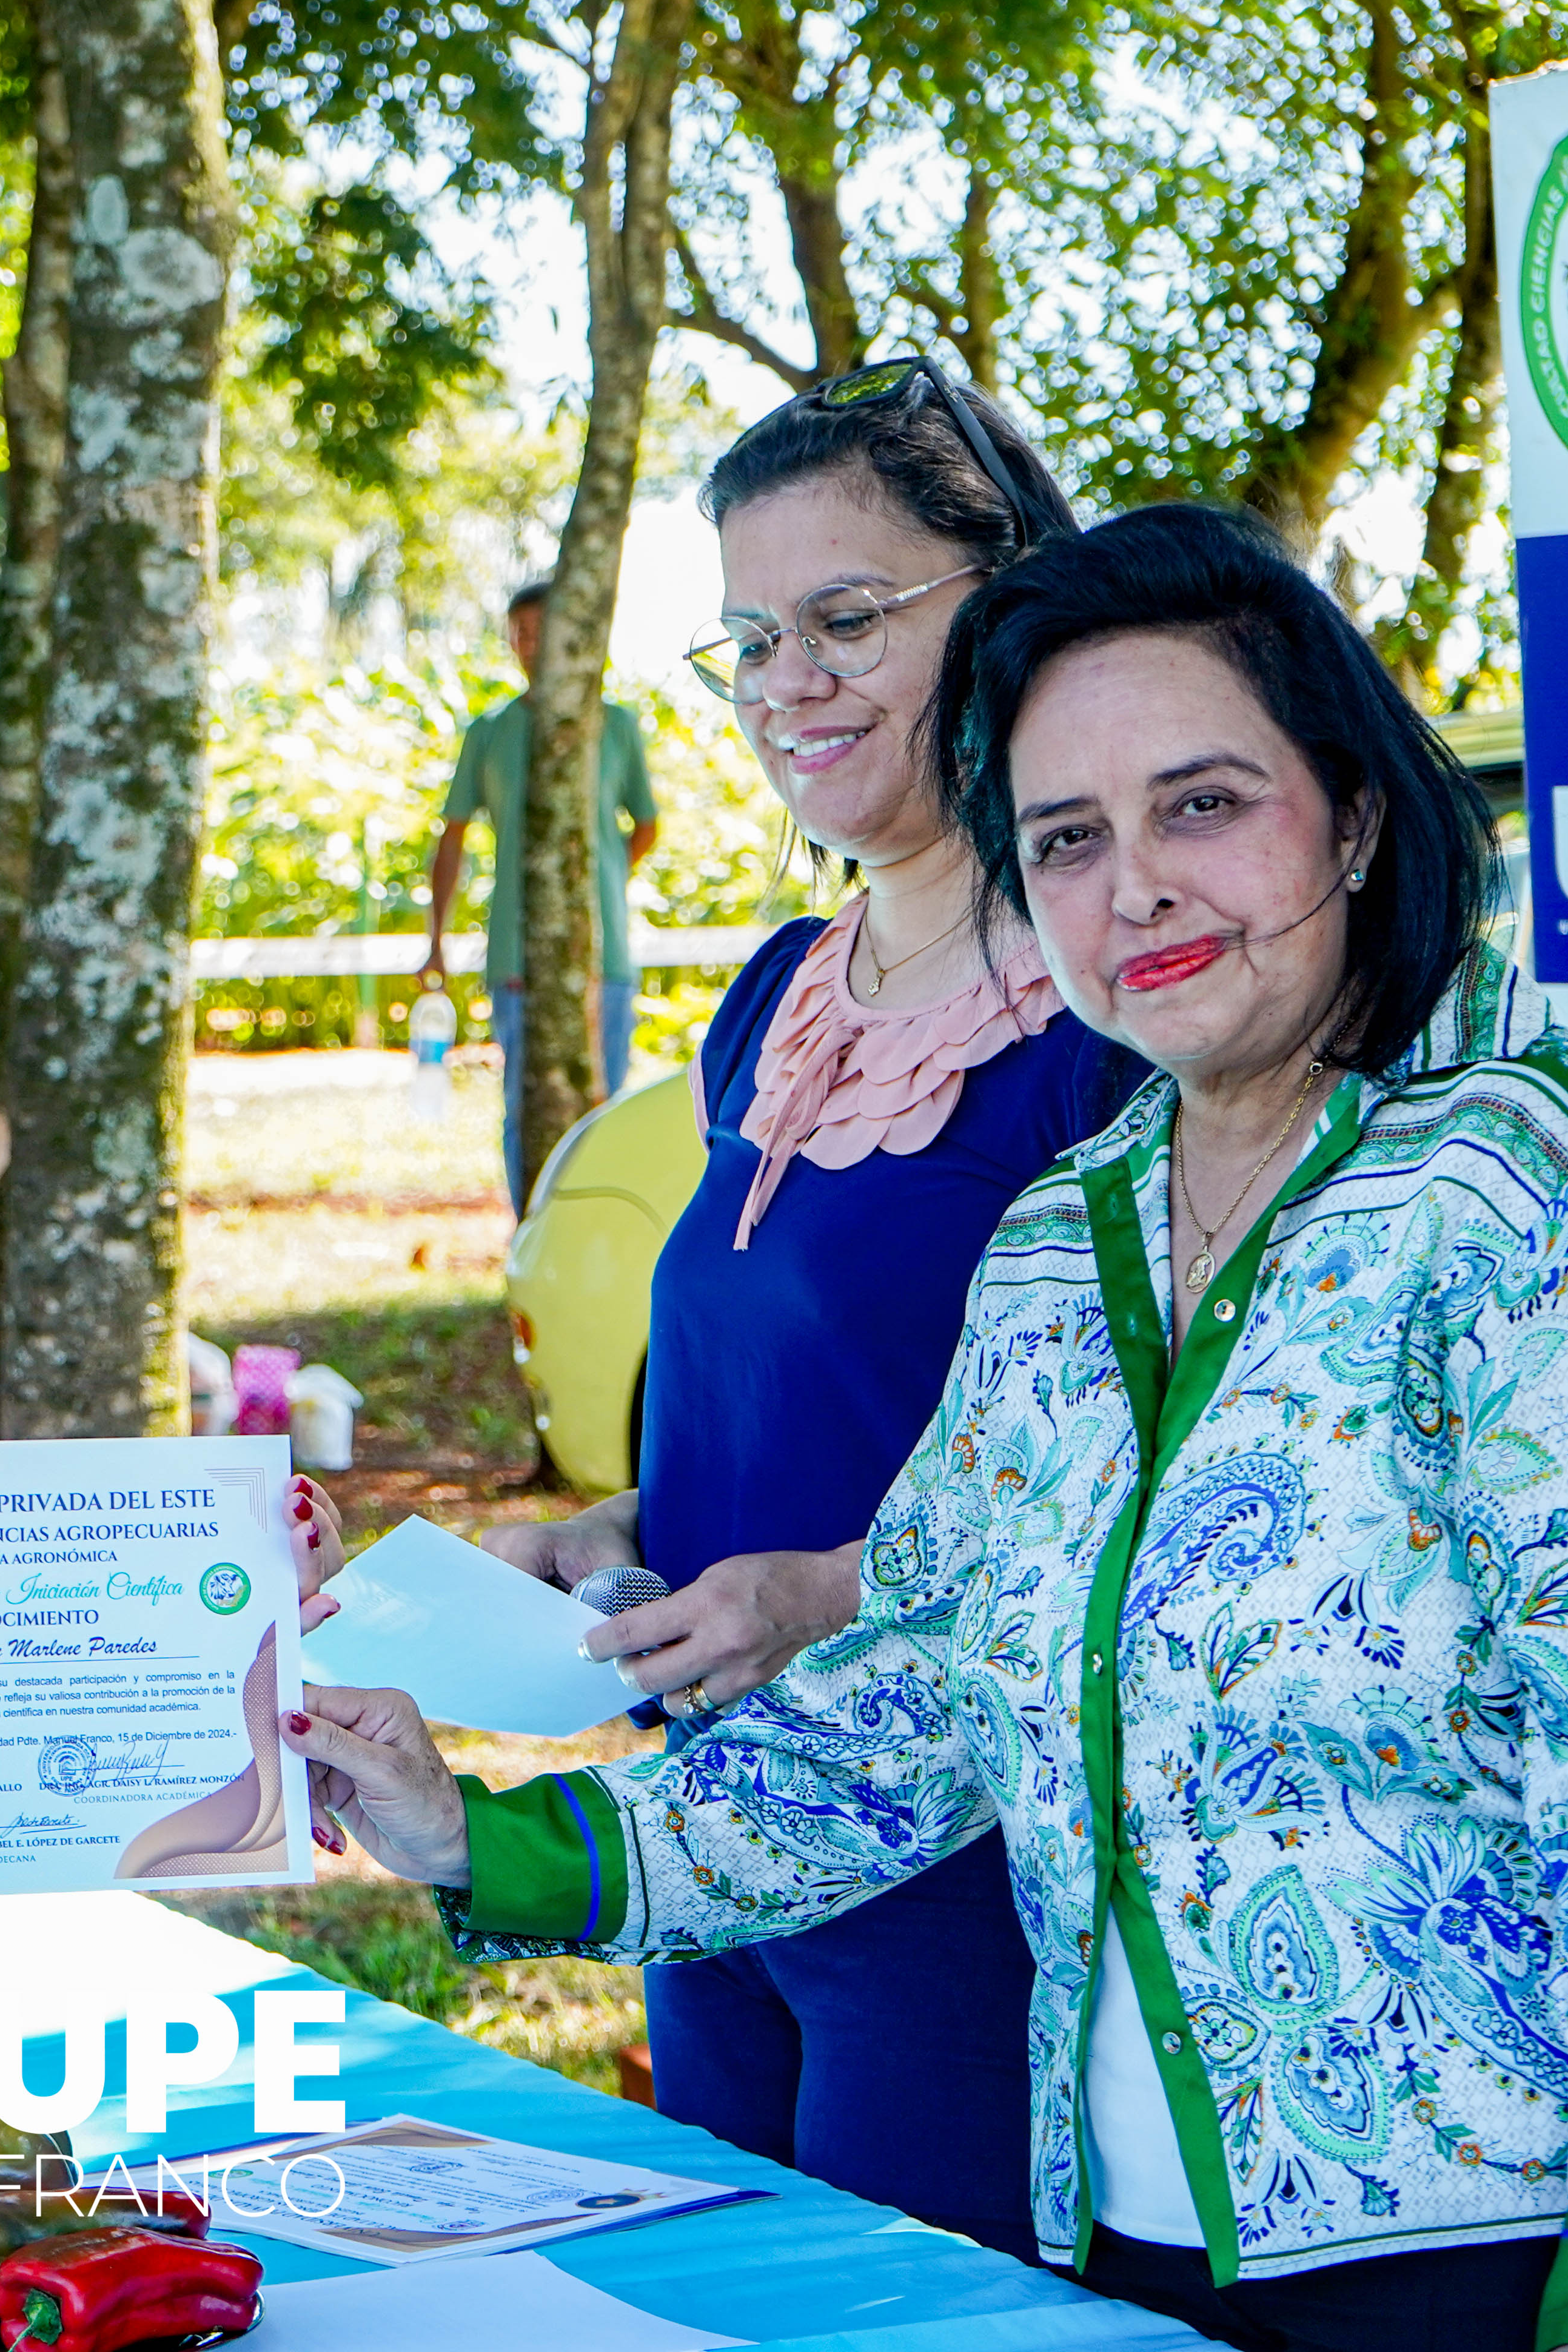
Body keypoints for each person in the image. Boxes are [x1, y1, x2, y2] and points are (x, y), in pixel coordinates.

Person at [295, 503, 1568, 2352]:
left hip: (1528, 2272)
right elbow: (910, 1711)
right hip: (1112, 2259)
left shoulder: (1544, 1200)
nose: (1135, 888)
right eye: (1065, 839)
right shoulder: (1062, 1240)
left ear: (1348, 811)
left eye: (1202, 804)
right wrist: (473, 1836)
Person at [446, 358, 1114, 2261]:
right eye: (748, 638)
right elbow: (805, 1392)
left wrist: (824, 1586)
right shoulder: (772, 994)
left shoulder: (1103, 1017)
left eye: (845, 620)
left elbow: (1144, 1491)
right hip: (702, 1844)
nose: (784, 684)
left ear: (1006, 604)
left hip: (950, 1874)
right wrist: (619, 1531)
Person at [421, 578, 663, 1203]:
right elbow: (451, 839)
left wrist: (596, 880)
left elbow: (647, 825)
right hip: (516, 951)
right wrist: (436, 942)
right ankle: (529, 1233)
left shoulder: (615, 726)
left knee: (605, 1099)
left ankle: (598, 1242)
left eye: (542, 631)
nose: (530, 645)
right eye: (519, 634)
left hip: (601, 952)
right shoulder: (490, 731)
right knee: (524, 1103)